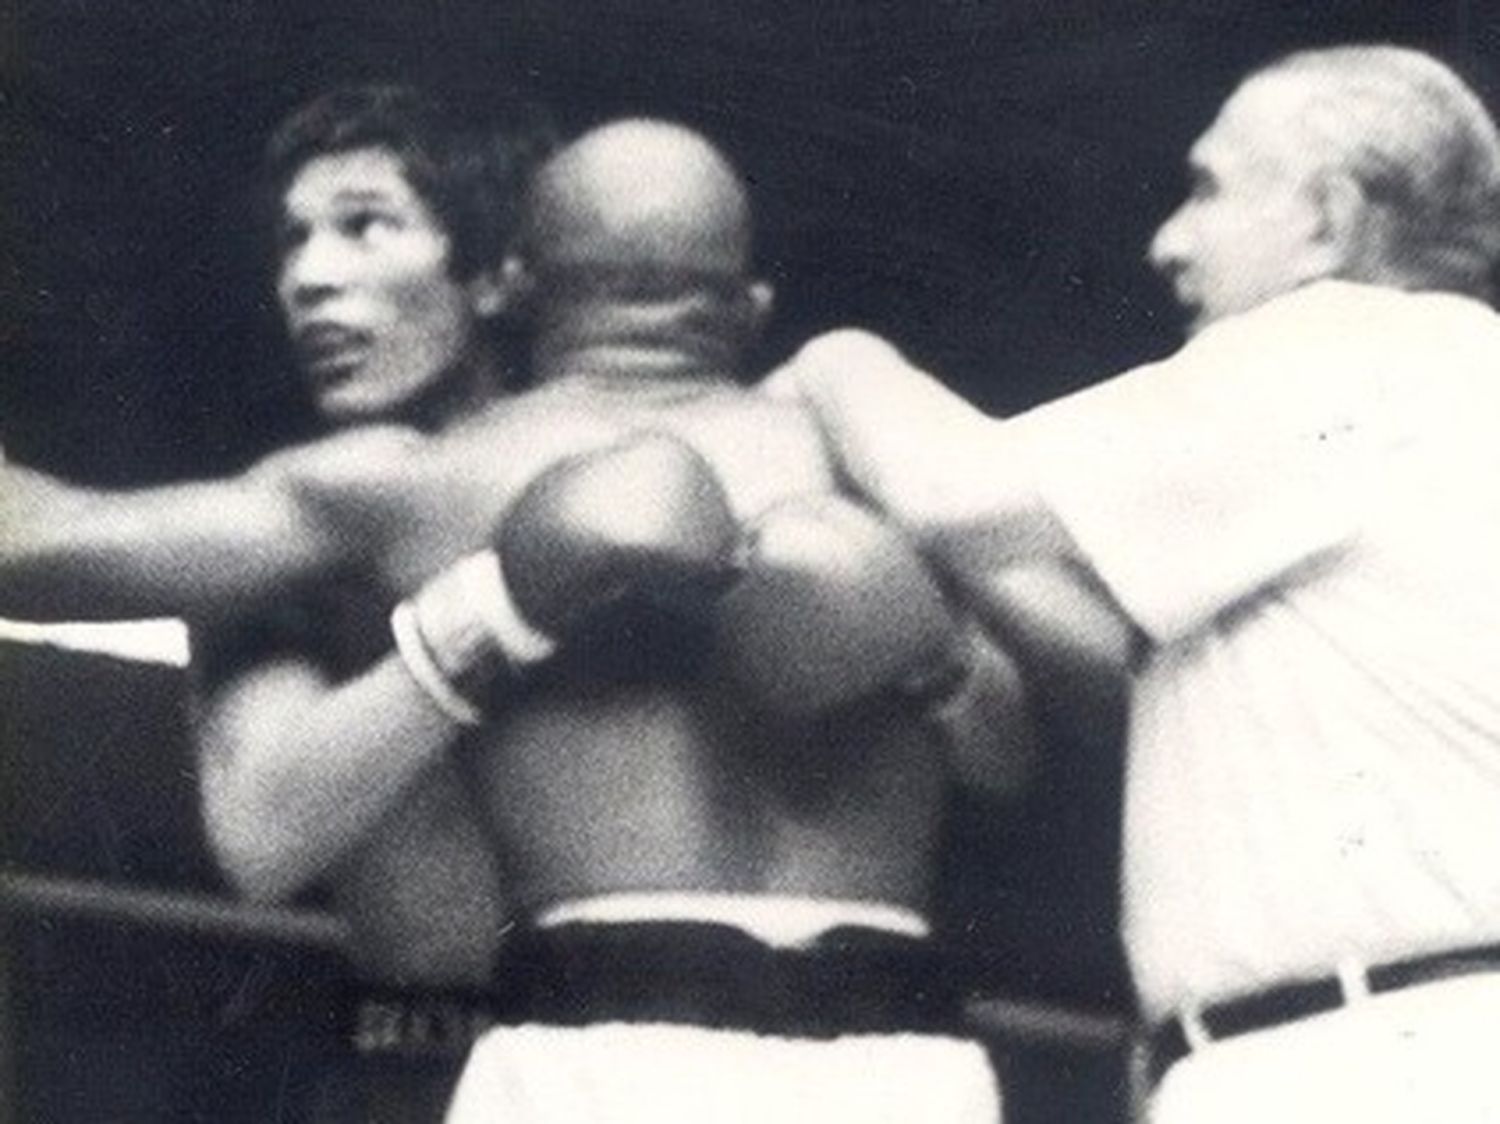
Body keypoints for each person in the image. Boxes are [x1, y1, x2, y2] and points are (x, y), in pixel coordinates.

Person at [197, 114, 1024, 1124]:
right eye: (293, 240)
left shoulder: (862, 457)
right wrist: (491, 607)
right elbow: (257, 838)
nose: (311, 278)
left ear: (500, 278)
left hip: (853, 1030)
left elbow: (1036, 728)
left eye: (366, 225)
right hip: (444, 1045)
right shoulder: (347, 510)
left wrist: (939, 655)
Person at [772, 44, 1500, 1124]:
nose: (1170, 242)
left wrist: (833, 359)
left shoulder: (1340, 348)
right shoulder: (1444, 375)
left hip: (1367, 1061)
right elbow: (1146, 671)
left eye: (1208, 189)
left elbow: (947, 488)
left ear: (1327, 220)